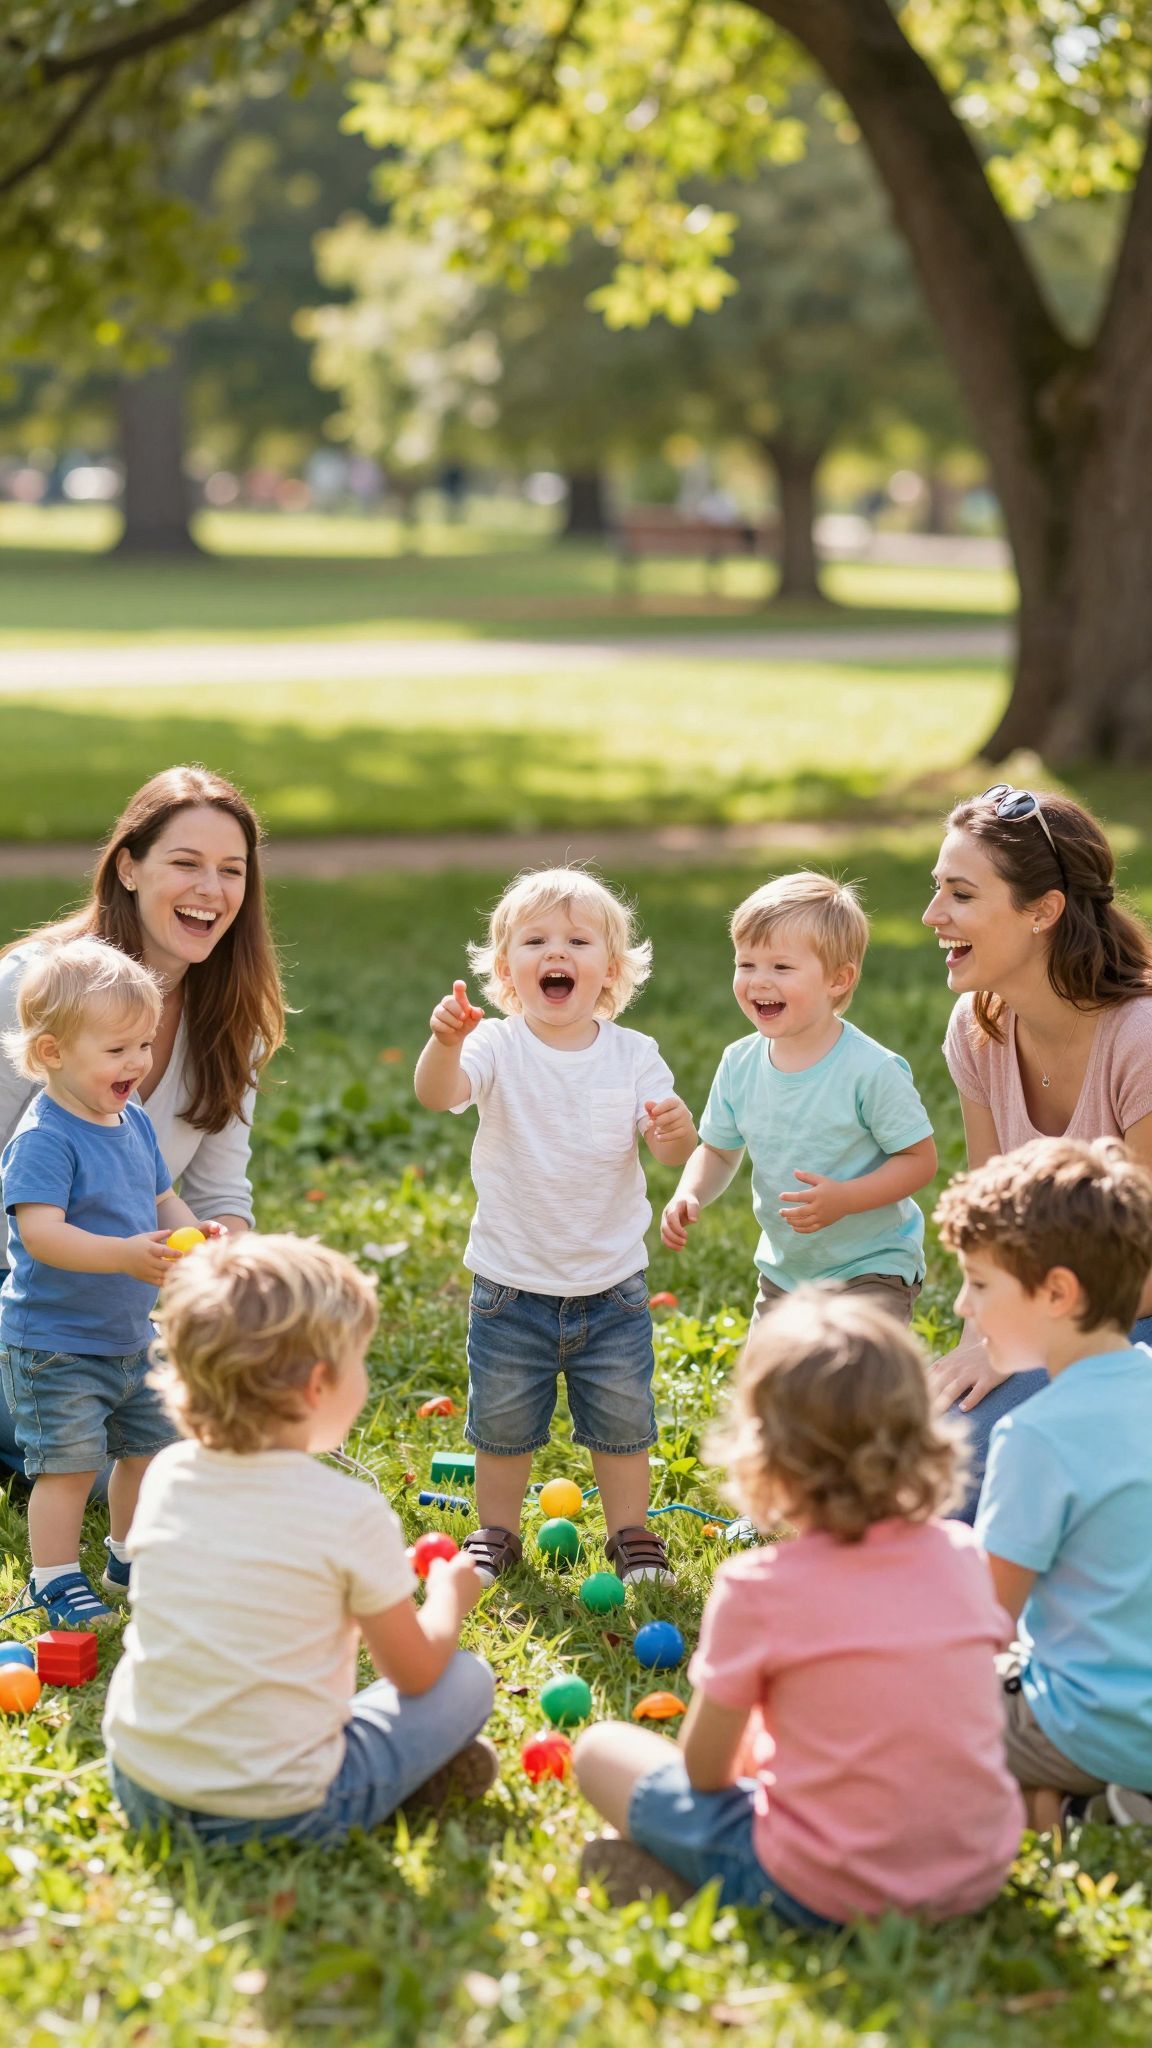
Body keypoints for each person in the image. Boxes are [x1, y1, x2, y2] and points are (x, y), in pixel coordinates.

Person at [573, 1290, 1023, 1918]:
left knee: (599, 1753)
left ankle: (712, 1884)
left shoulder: (757, 1588)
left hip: (825, 1887)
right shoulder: (961, 1555)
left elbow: (706, 1774)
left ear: (764, 1457)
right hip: (974, 1874)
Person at [104, 1234, 497, 1844]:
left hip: (143, 1787)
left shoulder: (166, 1475)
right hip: (276, 1810)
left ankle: (404, 1776)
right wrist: (449, 1595)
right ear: (317, 1386)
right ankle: (391, 1785)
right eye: (359, 1362)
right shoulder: (348, 1510)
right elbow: (416, 1673)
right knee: (466, 1678)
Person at [414, 866, 697, 1587]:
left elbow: (669, 1151)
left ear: (611, 969)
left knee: (624, 1424)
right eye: (534, 940)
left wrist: (675, 1131)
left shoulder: (634, 1055)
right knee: (503, 1427)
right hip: (511, 1287)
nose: (556, 952)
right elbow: (437, 1093)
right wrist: (445, 1043)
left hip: (612, 1289)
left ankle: (632, 1536)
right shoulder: (496, 1047)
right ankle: (496, 1533)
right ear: (507, 969)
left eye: (577, 940)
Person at [0, 766, 287, 1475]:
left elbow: (219, 1199)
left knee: (242, 1427)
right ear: (127, 868)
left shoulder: (230, 1023)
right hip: (30, 1315)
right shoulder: (33, 991)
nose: (210, 890)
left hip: (116, 1318)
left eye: (231, 871)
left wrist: (221, 1270)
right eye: (184, 864)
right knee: (114, 1466)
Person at [924, 785, 1152, 1518]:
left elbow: (1142, 1273)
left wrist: (1012, 1344)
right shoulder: (980, 1027)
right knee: (909, 1458)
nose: (933, 917)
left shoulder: (1139, 1040)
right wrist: (978, 1346)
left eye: (960, 895)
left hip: (1130, 1319)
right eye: (937, 891)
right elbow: (990, 1232)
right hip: (1053, 1319)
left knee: (954, 1489)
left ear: (1042, 911)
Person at [936, 1137, 1152, 1833]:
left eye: (980, 1283)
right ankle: (1096, 1802)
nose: (965, 1308)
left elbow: (986, 1623)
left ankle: (1057, 1797)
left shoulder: (1035, 1434)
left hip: (1086, 1726)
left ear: (1058, 1292)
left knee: (888, 1702)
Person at [0, 940, 219, 1627]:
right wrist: (125, 1257)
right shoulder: (44, 1138)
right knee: (66, 1467)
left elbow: (163, 1201)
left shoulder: (133, 1123)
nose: (138, 1064)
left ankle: (128, 1555)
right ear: (52, 1053)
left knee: (145, 1449)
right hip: (55, 1342)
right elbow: (42, 1235)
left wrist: (199, 1236)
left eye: (145, 1045)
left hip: (129, 1336)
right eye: (117, 1050)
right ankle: (54, 1576)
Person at [661, 871, 936, 1325]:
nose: (758, 981)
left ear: (838, 980)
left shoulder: (871, 1069)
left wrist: (846, 1198)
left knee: (855, 1381)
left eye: (781, 967)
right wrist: (690, 1191)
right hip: (785, 1274)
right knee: (773, 1390)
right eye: (746, 964)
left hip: (871, 1269)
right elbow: (719, 1152)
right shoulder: (739, 1062)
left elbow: (919, 1161)